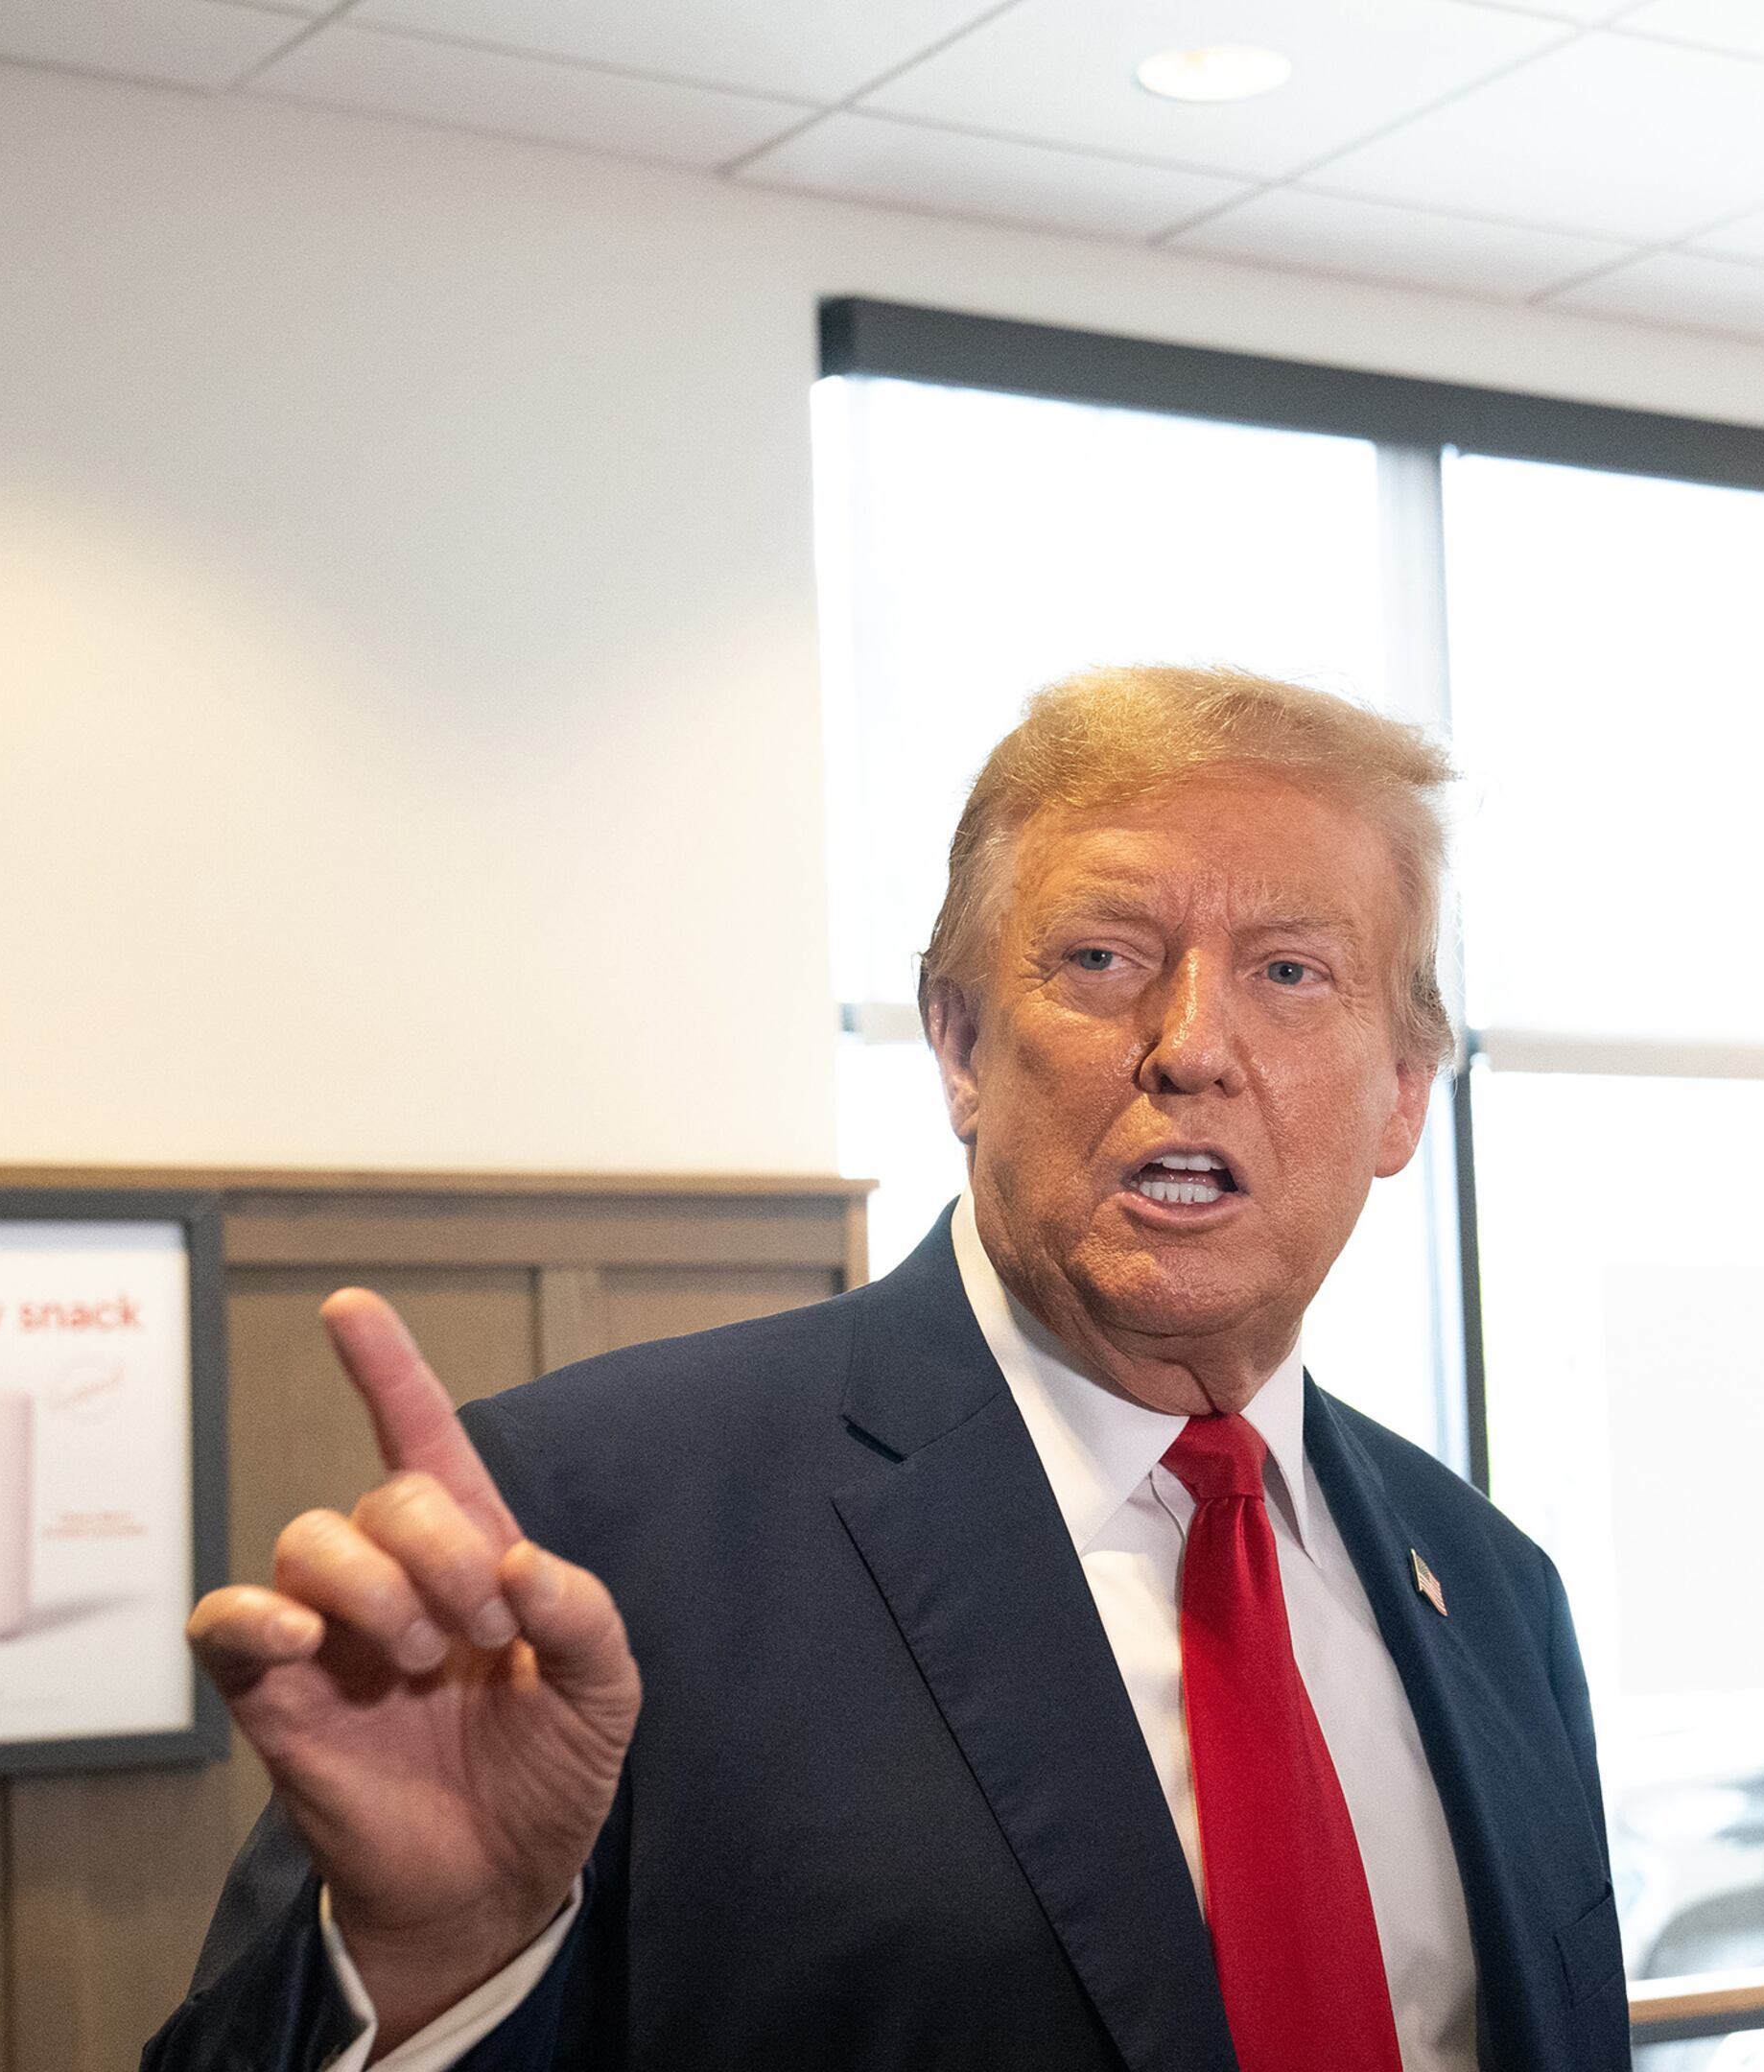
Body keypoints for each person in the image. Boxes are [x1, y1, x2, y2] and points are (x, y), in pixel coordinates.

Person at [145, 667, 1627, 2072]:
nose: (1189, 1048)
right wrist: (432, 1964)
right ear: (961, 1048)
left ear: (1402, 1095)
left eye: (1291, 971)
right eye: (1104, 960)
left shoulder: (1494, 1591)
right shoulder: (590, 1529)